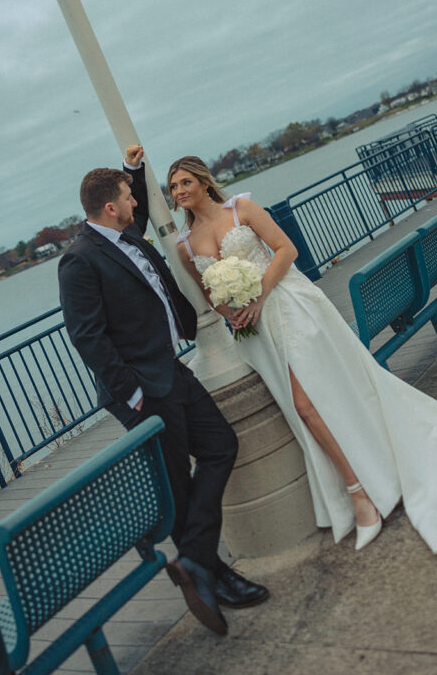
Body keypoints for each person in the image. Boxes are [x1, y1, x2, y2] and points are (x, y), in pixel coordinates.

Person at [167, 154, 437, 554]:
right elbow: (209, 296)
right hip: (254, 333)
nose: (179, 190)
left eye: (185, 182)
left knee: (307, 404)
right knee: (313, 404)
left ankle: (360, 495)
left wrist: (259, 293)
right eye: (172, 187)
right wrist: (233, 312)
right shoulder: (187, 247)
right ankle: (370, 470)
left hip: (292, 309)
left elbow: (285, 250)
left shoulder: (242, 208)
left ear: (204, 182)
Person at [58, 146, 269, 636]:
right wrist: (132, 395)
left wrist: (133, 169)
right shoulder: (79, 262)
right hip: (141, 390)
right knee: (177, 480)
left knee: (220, 446)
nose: (136, 203)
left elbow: (144, 212)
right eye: (129, 196)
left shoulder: (123, 233)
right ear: (111, 207)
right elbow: (87, 337)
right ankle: (214, 575)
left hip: (170, 370)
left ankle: (195, 561)